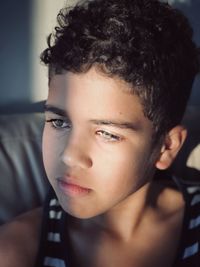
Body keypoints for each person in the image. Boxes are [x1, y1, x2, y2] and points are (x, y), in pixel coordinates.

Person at [0, 0, 199, 266]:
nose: (70, 156)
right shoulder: (16, 251)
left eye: (107, 133)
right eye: (59, 122)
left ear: (166, 147)